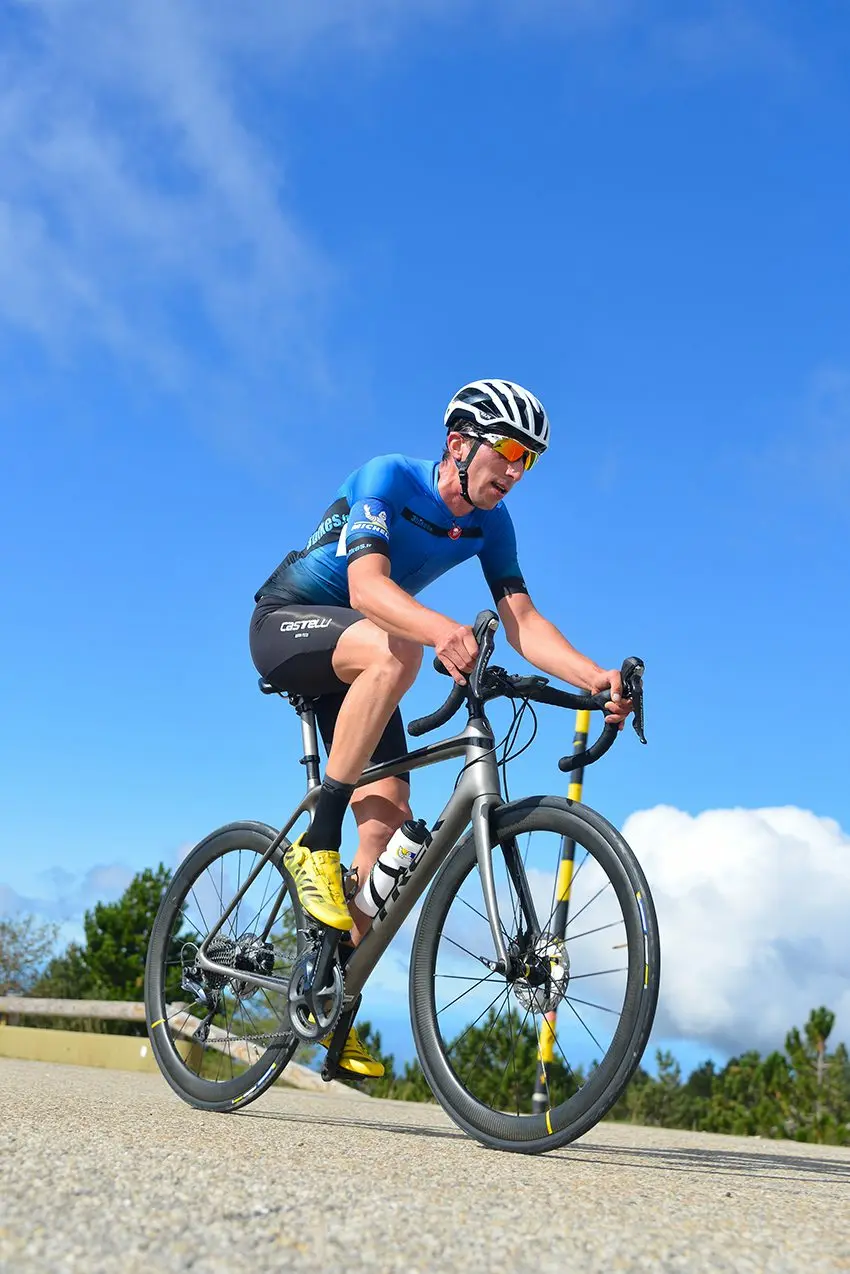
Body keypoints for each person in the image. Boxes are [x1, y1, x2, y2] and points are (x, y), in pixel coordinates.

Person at [249, 379, 632, 1077]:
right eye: (508, 450)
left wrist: (594, 677)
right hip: (288, 625)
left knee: (390, 830)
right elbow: (366, 589)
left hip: (362, 659)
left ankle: (327, 1000)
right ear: (459, 443)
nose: (515, 471)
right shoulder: (388, 479)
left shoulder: (492, 525)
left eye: (528, 460)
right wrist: (442, 632)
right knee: (396, 646)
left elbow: (523, 623)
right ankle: (316, 843)